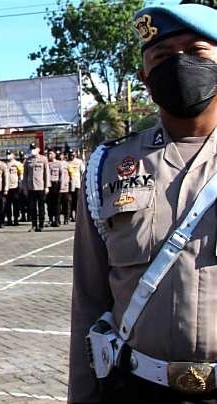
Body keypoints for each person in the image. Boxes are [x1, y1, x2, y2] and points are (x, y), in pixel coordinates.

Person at [70, 4, 217, 401]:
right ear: (145, 79)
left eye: (198, 52)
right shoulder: (108, 166)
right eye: (164, 57)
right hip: (138, 388)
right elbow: (88, 299)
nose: (181, 64)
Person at [24, 143, 49, 232]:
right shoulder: (28, 160)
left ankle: (41, 225)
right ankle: (34, 225)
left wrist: (47, 186)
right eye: (31, 148)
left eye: (34, 148)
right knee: (32, 207)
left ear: (38, 149)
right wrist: (25, 188)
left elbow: (46, 173)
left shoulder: (43, 159)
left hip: (41, 186)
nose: (32, 150)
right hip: (31, 187)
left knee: (41, 207)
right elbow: (25, 175)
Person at [5, 150, 23, 226]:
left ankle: (15, 219)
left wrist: (20, 184)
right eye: (7, 154)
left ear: (13, 155)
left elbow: (21, 174)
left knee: (16, 204)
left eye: (9, 154)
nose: (8, 155)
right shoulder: (5, 164)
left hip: (15, 186)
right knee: (7, 205)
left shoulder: (17, 164)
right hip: (7, 187)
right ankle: (9, 219)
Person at [46, 150, 63, 227]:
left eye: (51, 154)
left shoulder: (59, 164)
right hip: (49, 184)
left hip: (56, 184)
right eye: (48, 154)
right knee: (49, 204)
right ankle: (50, 219)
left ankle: (57, 219)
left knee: (57, 203)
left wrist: (61, 185)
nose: (49, 155)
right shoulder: (46, 163)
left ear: (54, 155)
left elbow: (61, 175)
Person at [67, 149, 85, 222]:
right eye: (70, 155)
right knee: (69, 201)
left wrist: (82, 183)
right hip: (68, 185)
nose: (71, 156)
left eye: (73, 155)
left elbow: (83, 172)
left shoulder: (79, 162)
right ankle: (70, 215)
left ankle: (77, 215)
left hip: (77, 184)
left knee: (77, 201)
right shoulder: (66, 162)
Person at [57, 150, 71, 225]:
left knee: (66, 204)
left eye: (61, 155)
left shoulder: (67, 164)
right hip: (57, 188)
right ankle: (58, 219)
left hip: (65, 187)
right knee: (58, 205)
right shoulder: (55, 163)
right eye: (58, 154)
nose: (59, 156)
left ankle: (66, 218)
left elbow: (71, 174)